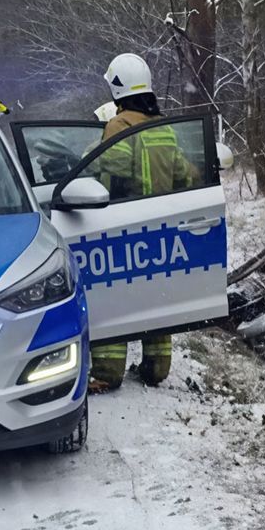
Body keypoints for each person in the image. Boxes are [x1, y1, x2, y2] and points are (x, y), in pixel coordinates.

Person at [88, 53, 193, 394]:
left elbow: (105, 173)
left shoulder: (119, 127)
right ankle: (156, 368)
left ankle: (107, 372)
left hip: (123, 226)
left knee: (114, 297)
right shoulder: (163, 128)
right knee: (156, 297)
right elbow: (183, 175)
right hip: (160, 226)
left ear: (117, 87)